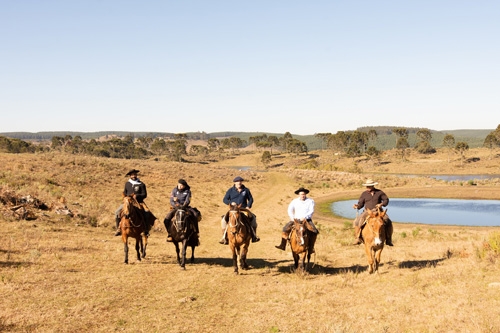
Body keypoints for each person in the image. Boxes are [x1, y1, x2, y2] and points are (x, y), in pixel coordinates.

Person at [275, 187, 319, 252]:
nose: (302, 195)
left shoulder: (310, 201)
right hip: (296, 220)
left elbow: (311, 211)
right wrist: (292, 218)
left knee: (314, 231)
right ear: (299, 194)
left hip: (306, 220)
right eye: (301, 194)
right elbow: (290, 209)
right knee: (285, 229)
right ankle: (282, 245)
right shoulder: (294, 201)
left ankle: (311, 247)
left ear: (306, 194)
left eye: (304, 194)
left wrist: (305, 217)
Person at [352, 178, 393, 246]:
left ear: (373, 186)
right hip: (368, 212)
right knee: (358, 221)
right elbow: (361, 203)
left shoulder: (379, 192)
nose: (367, 187)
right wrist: (357, 206)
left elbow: (386, 200)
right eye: (367, 186)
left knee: (388, 221)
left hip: (378, 212)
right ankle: (357, 238)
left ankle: (389, 239)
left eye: (369, 186)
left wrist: (381, 204)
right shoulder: (364, 194)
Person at [219, 176, 260, 244]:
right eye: (238, 182)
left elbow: (251, 199)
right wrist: (230, 203)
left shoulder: (246, 190)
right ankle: (224, 237)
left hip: (243, 209)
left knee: (253, 219)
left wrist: (248, 206)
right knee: (223, 220)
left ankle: (254, 236)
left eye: (240, 181)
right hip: (233, 210)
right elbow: (225, 199)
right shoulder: (230, 190)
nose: (239, 183)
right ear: (235, 182)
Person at [114, 169, 148, 236]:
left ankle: (145, 229)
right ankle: (118, 228)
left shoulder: (141, 184)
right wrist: (125, 198)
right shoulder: (127, 183)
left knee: (146, 213)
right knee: (117, 212)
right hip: (128, 202)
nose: (133, 176)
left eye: (135, 174)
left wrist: (137, 196)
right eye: (132, 175)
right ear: (130, 176)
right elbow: (125, 192)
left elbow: (144, 194)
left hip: (138, 202)